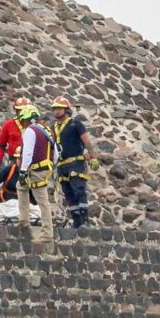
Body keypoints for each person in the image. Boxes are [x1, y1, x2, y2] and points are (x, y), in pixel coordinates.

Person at [51, 96, 99, 228]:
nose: (56, 111)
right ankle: (77, 222)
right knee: (68, 193)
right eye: (54, 109)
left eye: (59, 108)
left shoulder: (75, 124)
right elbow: (52, 146)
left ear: (66, 109)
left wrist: (92, 157)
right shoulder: (53, 127)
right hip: (61, 165)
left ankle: (84, 220)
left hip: (76, 162)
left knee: (78, 189)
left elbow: (87, 141)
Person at [17, 105, 57, 243]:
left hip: (35, 169)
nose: (22, 124)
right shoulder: (46, 130)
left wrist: (23, 171)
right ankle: (23, 220)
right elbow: (56, 152)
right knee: (21, 188)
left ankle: (46, 234)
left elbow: (27, 153)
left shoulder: (30, 131)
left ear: (28, 119)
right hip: (45, 168)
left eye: (23, 121)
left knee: (42, 200)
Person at [0, 96, 31, 168]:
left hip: (31, 161)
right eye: (20, 110)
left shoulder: (35, 125)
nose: (22, 113)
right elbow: (1, 145)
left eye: (25, 111)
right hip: (13, 160)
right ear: (16, 111)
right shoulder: (8, 125)